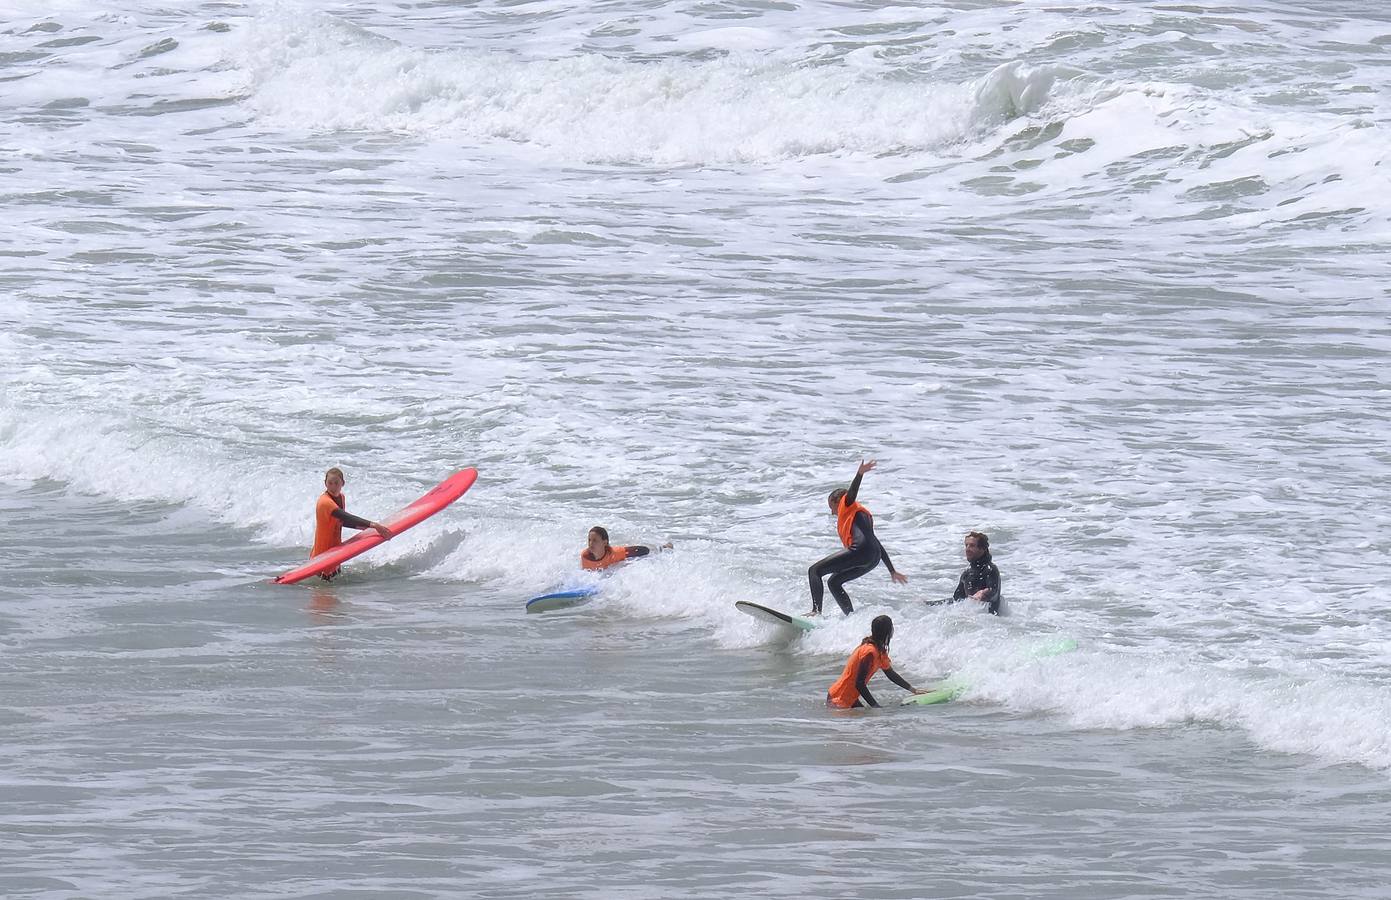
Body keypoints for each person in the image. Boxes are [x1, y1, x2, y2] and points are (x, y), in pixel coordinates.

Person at [806, 459, 907, 617]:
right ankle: (850, 618)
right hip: (873, 557)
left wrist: (859, 474)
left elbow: (851, 493)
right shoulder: (859, 515)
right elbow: (876, 544)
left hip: (859, 551)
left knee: (814, 570)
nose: (833, 512)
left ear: (838, 501)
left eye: (831, 507)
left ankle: (815, 612)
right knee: (834, 582)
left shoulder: (846, 504)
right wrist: (892, 570)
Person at [826, 615, 925, 708]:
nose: (893, 630)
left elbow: (890, 673)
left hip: (849, 697)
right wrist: (875, 706)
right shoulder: (870, 652)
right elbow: (859, 683)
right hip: (839, 699)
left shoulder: (879, 650)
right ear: (887, 632)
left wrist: (913, 690)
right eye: (892, 628)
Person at [312, 467, 392, 580]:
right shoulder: (325, 502)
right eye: (330, 483)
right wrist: (374, 525)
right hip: (322, 555)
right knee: (324, 591)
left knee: (334, 591)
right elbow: (346, 517)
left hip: (334, 551)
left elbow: (341, 522)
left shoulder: (341, 497)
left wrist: (367, 528)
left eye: (336, 483)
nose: (333, 486)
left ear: (343, 483)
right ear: (325, 483)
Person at [949, 531, 1002, 615]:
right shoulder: (966, 573)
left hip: (991, 624)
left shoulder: (990, 570)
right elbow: (956, 600)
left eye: (972, 546)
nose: (967, 549)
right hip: (972, 624)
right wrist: (929, 604)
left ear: (982, 549)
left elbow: (993, 591)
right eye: (966, 545)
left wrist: (983, 593)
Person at [580, 526, 671, 571]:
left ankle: (664, 547)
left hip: (626, 557)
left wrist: (657, 550)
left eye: (595, 540)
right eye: (589, 540)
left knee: (647, 552)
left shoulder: (615, 553)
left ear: (605, 542)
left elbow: (641, 550)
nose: (591, 543)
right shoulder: (585, 556)